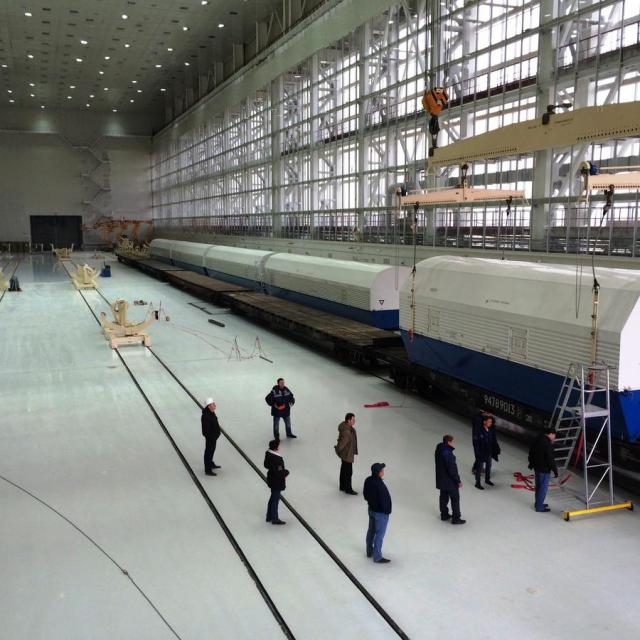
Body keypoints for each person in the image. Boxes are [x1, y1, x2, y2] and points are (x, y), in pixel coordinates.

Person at [363, 463, 392, 564]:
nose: (383, 471)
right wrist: (387, 511)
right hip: (381, 514)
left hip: (371, 510)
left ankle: (369, 551)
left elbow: (365, 495)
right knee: (379, 534)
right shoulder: (379, 485)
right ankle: (377, 557)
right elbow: (384, 500)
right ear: (378, 472)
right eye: (382, 470)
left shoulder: (368, 480)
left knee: (371, 531)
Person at [435, 435, 466, 524]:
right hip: (449, 480)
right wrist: (458, 480)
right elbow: (452, 468)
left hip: (441, 479)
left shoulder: (439, 449)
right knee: (455, 498)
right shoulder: (447, 452)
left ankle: (444, 514)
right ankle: (456, 518)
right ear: (449, 442)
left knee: (443, 497)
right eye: (452, 442)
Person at [528, 429, 558, 513]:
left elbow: (531, 451)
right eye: (554, 436)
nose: (554, 438)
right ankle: (539, 507)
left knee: (538, 487)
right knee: (543, 489)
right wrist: (555, 470)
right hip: (544, 469)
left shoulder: (537, 439)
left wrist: (531, 463)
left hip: (537, 467)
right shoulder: (547, 444)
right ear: (551, 434)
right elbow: (550, 458)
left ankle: (538, 503)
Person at [264, 439, 289, 525]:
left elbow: (266, 465)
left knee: (272, 498)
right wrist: (286, 472)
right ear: (276, 447)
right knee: (275, 499)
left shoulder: (268, 454)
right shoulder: (276, 458)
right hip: (276, 480)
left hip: (272, 478)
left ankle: (269, 516)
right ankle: (275, 518)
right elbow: (279, 471)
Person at [334, 413, 358, 495]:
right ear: (348, 420)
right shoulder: (347, 432)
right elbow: (342, 444)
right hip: (347, 454)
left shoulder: (346, 427)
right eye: (353, 419)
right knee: (348, 472)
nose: (354, 421)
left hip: (345, 453)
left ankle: (342, 486)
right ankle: (348, 489)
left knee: (344, 470)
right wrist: (338, 449)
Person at [473, 414, 498, 489]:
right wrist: (477, 453)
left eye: (491, 422)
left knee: (488, 467)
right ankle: (477, 483)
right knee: (479, 469)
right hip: (481, 453)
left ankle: (487, 480)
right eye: (489, 422)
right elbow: (476, 444)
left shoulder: (490, 431)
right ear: (484, 422)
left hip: (488, 453)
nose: (490, 423)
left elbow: (492, 441)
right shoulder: (478, 431)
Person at [201, 398, 221, 476]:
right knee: (208, 452)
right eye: (213, 404)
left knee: (211, 451)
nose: (215, 405)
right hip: (211, 438)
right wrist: (213, 436)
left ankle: (211, 463)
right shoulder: (206, 416)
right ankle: (208, 469)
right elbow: (206, 431)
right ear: (209, 406)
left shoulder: (211, 413)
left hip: (213, 437)